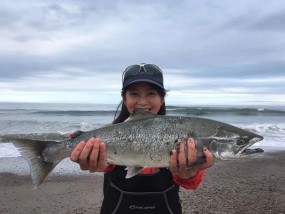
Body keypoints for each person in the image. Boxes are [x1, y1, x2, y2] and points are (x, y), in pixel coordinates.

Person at [70, 63, 215, 214]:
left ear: (162, 99)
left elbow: (191, 183)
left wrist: (188, 174)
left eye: (151, 93)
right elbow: (105, 166)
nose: (142, 101)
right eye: (134, 94)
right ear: (124, 100)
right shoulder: (104, 135)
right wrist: (92, 160)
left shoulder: (181, 136)